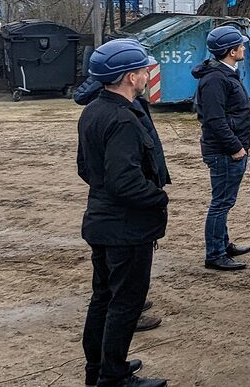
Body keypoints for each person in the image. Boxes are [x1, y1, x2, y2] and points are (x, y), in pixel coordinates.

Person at [77, 39, 170, 387]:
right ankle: (112, 377)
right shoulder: (124, 120)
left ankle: (99, 367)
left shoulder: (94, 110)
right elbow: (125, 182)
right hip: (126, 228)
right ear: (131, 77)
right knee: (125, 302)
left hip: (102, 221)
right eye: (144, 69)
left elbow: (85, 168)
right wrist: (157, 198)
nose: (148, 74)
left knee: (103, 297)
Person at [194, 25, 250, 271]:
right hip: (224, 152)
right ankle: (215, 253)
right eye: (240, 45)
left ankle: (223, 243)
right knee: (221, 203)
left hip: (228, 150)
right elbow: (214, 119)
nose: (244, 47)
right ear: (230, 51)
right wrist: (235, 147)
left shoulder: (224, 73)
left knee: (224, 201)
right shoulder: (216, 79)